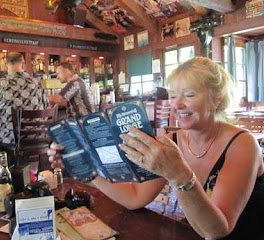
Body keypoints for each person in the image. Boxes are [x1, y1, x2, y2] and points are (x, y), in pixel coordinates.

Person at [48, 57, 264, 240]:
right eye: (172, 96)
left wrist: (178, 174)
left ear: (216, 99)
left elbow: (216, 230)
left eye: (189, 95)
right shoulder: (172, 141)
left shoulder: (242, 144)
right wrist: (87, 169)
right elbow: (134, 198)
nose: (176, 104)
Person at [0, 52, 50, 166]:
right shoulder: (37, 84)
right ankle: (33, 174)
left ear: (6, 65)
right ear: (23, 64)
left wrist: (3, 130)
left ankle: (6, 176)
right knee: (28, 146)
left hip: (10, 140)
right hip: (36, 139)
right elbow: (46, 111)